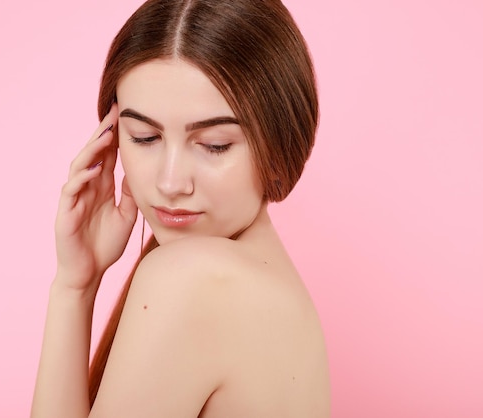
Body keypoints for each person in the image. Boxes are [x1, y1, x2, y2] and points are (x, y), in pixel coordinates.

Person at [31, 0, 330, 416]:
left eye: (214, 145)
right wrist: (76, 285)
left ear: (278, 143)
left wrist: (72, 292)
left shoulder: (193, 280)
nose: (171, 183)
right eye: (144, 137)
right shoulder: (278, 290)